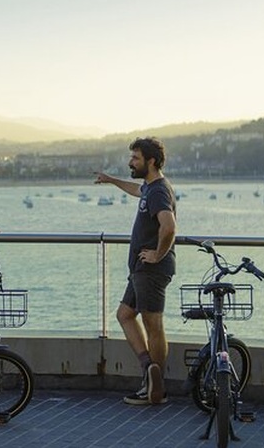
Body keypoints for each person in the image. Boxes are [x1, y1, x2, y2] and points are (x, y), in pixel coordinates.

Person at [94, 137, 176, 406]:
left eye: (136, 158)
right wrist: (112, 180)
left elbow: (169, 226)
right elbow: (136, 190)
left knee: (154, 325)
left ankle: (157, 387)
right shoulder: (151, 188)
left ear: (151, 161)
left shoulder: (160, 191)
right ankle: (149, 372)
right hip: (141, 270)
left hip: (151, 270)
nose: (131, 162)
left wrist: (158, 254)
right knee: (125, 314)